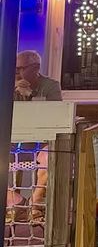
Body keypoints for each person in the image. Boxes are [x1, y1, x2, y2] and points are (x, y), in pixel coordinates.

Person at [8, 51, 61, 225]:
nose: (16, 73)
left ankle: (35, 203)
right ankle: (19, 203)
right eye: (14, 69)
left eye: (20, 69)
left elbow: (54, 115)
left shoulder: (51, 86)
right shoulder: (8, 85)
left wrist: (30, 96)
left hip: (39, 142)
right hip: (12, 143)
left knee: (50, 157)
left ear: (36, 68)